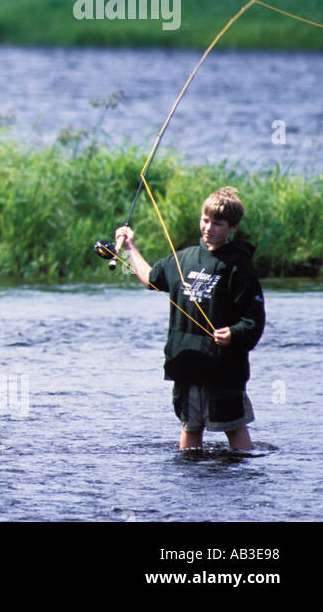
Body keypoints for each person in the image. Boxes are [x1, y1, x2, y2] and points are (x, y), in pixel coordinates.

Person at [115, 187, 265, 451]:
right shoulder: (183, 258)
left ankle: (243, 472)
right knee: (190, 427)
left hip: (223, 368)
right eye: (205, 220)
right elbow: (151, 279)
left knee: (234, 425)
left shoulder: (239, 266)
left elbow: (253, 319)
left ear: (232, 228)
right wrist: (129, 247)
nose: (208, 228)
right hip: (186, 363)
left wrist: (235, 334)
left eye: (217, 224)